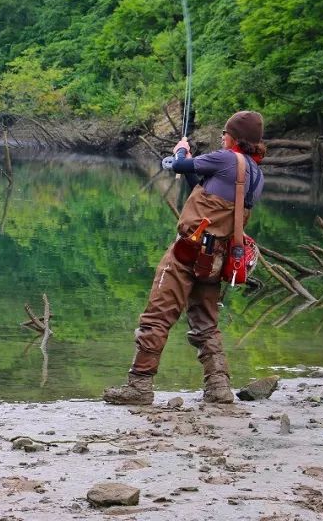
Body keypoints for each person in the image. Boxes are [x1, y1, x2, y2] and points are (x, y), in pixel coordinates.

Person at [103, 110, 267, 405]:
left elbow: (178, 165)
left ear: (234, 138)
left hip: (187, 252)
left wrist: (180, 150)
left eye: (225, 133)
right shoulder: (255, 175)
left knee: (157, 315)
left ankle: (139, 386)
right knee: (205, 322)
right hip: (216, 260)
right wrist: (187, 162)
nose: (221, 137)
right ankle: (218, 387)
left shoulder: (225, 158)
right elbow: (199, 186)